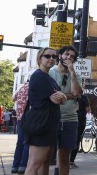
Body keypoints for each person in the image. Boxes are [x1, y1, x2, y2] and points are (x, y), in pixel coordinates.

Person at [25, 47, 67, 175]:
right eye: (47, 56)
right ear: (39, 59)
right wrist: (62, 97)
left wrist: (62, 96)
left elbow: (63, 98)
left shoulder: (49, 78)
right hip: (41, 123)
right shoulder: (39, 77)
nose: (51, 59)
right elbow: (57, 99)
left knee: (45, 162)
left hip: (49, 124)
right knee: (34, 164)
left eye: (54, 57)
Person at [48, 45, 82, 175]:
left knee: (64, 157)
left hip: (70, 120)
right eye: (67, 54)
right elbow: (49, 94)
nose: (68, 57)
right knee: (47, 155)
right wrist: (69, 96)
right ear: (60, 55)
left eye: (72, 56)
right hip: (52, 119)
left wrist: (72, 72)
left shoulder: (76, 75)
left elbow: (76, 92)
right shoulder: (51, 72)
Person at [11, 81, 30, 174]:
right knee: (27, 142)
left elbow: (13, 98)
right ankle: (22, 166)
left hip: (19, 118)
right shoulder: (33, 87)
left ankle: (15, 166)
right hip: (28, 118)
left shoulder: (22, 88)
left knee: (20, 142)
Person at [69, 93, 90, 168]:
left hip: (71, 119)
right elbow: (88, 109)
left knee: (69, 140)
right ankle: (71, 161)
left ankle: (67, 161)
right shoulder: (84, 97)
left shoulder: (71, 96)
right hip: (81, 121)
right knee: (77, 140)